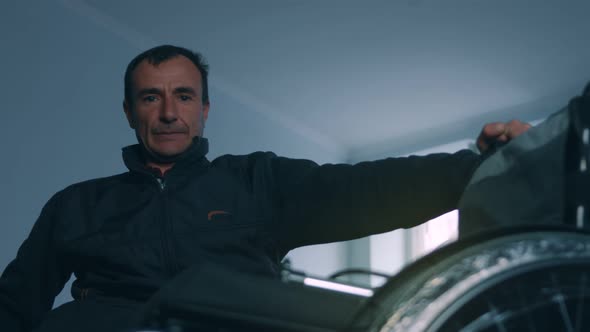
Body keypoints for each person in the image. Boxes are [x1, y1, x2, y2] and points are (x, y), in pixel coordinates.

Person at [0, 45, 531, 332]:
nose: (167, 113)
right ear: (128, 111)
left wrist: (480, 164)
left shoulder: (256, 179)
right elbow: (14, 305)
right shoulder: (76, 204)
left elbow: (369, 189)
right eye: (150, 98)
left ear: (204, 110)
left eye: (183, 96)